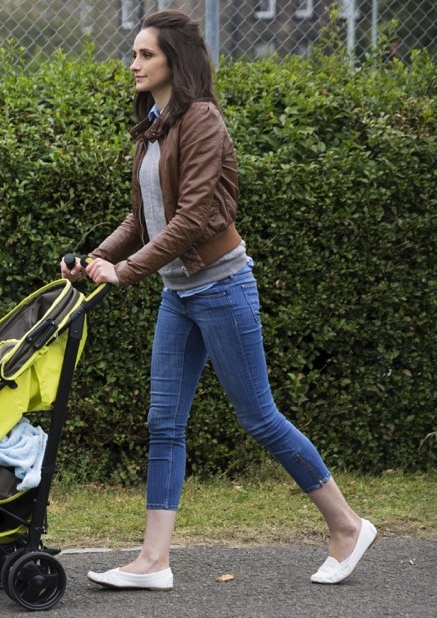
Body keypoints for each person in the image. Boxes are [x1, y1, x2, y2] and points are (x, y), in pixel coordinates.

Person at [61, 10, 375, 589]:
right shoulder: (154, 123)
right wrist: (92, 257)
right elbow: (142, 216)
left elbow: (194, 217)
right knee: (164, 422)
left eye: (144, 55)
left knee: (258, 417)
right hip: (179, 294)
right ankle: (154, 562)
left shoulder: (202, 120)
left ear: (172, 62)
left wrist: (124, 272)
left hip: (222, 287)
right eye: (133, 54)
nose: (132, 64)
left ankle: (348, 525)